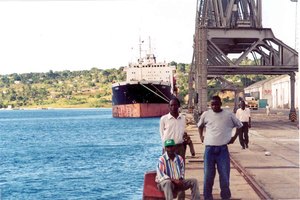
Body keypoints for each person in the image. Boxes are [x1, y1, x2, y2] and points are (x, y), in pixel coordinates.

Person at [197, 96, 243, 200]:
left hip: (223, 150)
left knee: (224, 176)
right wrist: (201, 136)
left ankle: (225, 197)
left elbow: (239, 125)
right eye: (212, 104)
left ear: (220, 104)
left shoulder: (228, 115)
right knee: (208, 176)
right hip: (209, 150)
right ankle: (207, 197)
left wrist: (234, 138)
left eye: (216, 104)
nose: (214, 106)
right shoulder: (206, 114)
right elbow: (200, 126)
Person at [159, 97, 186, 199]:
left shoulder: (182, 118)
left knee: (181, 173)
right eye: (172, 105)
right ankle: (166, 197)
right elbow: (162, 135)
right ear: (169, 106)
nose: (174, 107)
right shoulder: (164, 119)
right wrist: (165, 149)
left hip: (179, 148)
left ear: (179, 106)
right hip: (168, 149)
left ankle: (180, 197)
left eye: (175, 105)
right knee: (166, 173)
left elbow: (182, 133)